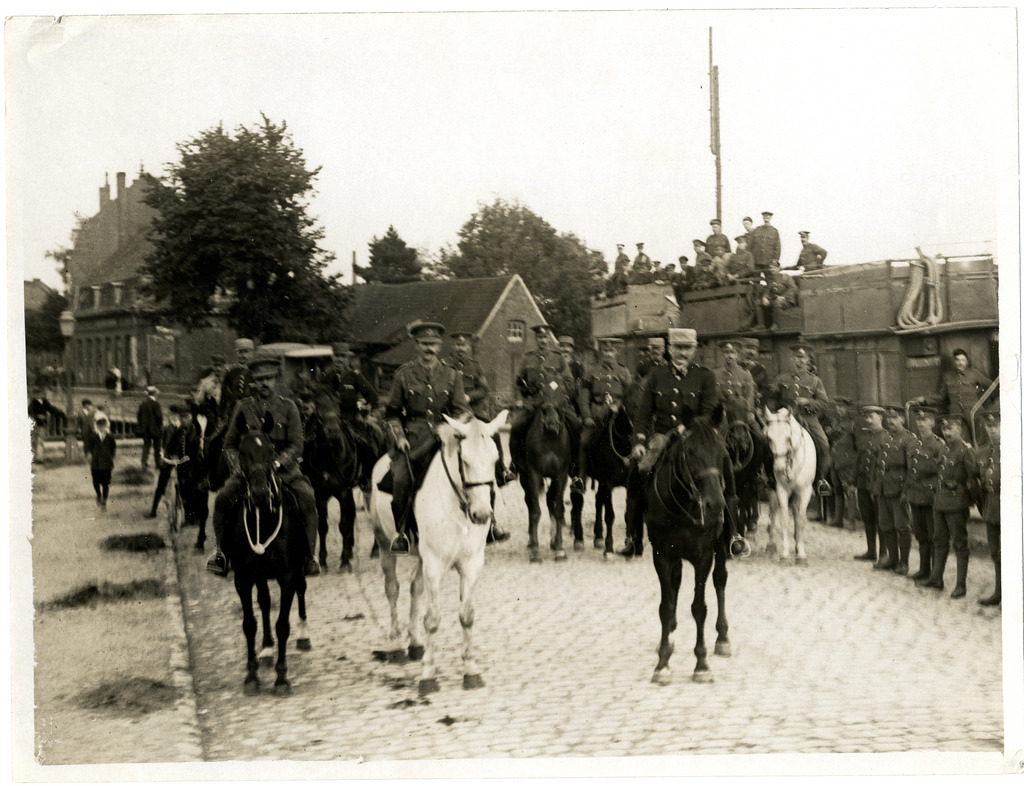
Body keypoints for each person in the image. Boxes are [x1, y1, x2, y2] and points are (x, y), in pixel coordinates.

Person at [207, 350, 321, 577]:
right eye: (259, 380)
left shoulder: (289, 407)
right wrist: (239, 469)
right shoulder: (243, 408)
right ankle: (220, 553)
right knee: (222, 498)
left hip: (283, 470)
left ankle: (309, 556)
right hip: (250, 470)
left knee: (307, 497)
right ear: (253, 383)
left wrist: (278, 464)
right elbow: (229, 444)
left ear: (276, 379)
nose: (264, 384)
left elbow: (297, 444)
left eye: (268, 379)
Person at [623, 328, 720, 558]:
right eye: (677, 348)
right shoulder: (656, 375)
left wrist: (685, 428)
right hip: (661, 437)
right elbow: (644, 414)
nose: (682, 353)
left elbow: (709, 412)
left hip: (696, 436)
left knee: (721, 464)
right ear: (669, 349)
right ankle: (633, 537)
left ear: (694, 350)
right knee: (639, 471)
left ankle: (731, 533)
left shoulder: (705, 376)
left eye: (687, 348)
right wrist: (639, 441)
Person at [385, 321, 471, 554]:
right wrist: (400, 437)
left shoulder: (453, 376)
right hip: (413, 440)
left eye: (433, 344)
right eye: (424, 344)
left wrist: (451, 429)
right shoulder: (403, 376)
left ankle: (486, 523)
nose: (429, 349)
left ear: (440, 346)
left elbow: (462, 410)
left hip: (445, 438)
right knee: (402, 480)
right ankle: (401, 532)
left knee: (475, 471)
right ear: (416, 345)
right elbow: (392, 413)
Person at [445, 331, 511, 544]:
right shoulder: (445, 365)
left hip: (475, 414)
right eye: (457, 345)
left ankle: (501, 472)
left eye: (464, 345)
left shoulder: (476, 367)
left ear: (469, 347)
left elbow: (484, 390)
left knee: (494, 441)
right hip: (454, 415)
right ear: (453, 346)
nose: (460, 348)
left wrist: (468, 397)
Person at [508, 323, 580, 491]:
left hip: (556, 403)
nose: (543, 340)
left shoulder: (559, 358)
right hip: (533, 403)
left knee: (576, 425)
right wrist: (521, 400)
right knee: (516, 426)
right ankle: (514, 465)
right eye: (540, 337)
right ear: (536, 339)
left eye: (545, 337)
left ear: (550, 338)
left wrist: (559, 394)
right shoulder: (528, 358)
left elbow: (569, 383)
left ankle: (575, 470)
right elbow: (518, 383)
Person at [917, 414, 975, 598]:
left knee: (960, 543)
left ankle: (960, 585)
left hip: (957, 504)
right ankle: (936, 578)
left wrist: (967, 500)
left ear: (960, 429)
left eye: (951, 428)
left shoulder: (965, 451)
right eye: (944, 429)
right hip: (940, 502)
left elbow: (973, 480)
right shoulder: (944, 449)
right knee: (939, 540)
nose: (947, 432)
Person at [770, 343, 832, 495]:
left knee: (824, 445)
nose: (800, 361)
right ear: (792, 359)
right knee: (770, 441)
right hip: (785, 419)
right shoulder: (781, 378)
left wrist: (808, 402)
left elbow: (824, 403)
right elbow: (773, 399)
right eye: (797, 357)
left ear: (808, 360)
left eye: (803, 358)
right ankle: (768, 478)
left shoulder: (815, 381)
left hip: (808, 418)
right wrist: (775, 414)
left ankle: (820, 479)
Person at [578, 337, 633, 485]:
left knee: (632, 440)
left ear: (617, 352)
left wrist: (619, 405)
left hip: (617, 417)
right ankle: (580, 478)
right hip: (597, 417)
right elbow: (583, 395)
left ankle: (633, 475)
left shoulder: (623, 371)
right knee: (584, 441)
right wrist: (587, 416)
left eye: (611, 350)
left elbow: (630, 395)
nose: (608, 354)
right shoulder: (591, 370)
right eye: (605, 350)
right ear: (601, 352)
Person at [913, 349, 994, 442]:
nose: (960, 363)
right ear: (954, 362)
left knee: (980, 441)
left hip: (975, 413)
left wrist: (980, 396)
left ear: (967, 362)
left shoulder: (974, 374)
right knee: (961, 441)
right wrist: (924, 399)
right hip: (956, 415)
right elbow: (940, 395)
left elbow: (991, 386)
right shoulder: (947, 376)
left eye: (963, 360)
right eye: (958, 360)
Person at [873, 406, 917, 573]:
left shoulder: (909, 439)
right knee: (886, 525)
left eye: (894, 418)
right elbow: (879, 465)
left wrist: (906, 491)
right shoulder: (886, 437)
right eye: (888, 418)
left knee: (902, 526)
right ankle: (892, 559)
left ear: (903, 420)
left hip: (898, 490)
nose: (890, 421)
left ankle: (904, 563)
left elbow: (912, 468)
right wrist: (876, 487)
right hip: (883, 488)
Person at [905, 406, 943, 581]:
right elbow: (909, 469)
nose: (921, 424)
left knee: (933, 535)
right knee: (920, 534)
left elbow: (940, 470)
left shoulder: (938, 445)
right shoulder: (913, 443)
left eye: (925, 420)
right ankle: (924, 569)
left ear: (933, 422)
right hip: (915, 495)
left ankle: (935, 575)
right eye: (918, 420)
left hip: (930, 496)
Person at [971, 410, 1001, 605]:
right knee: (996, 552)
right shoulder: (981, 452)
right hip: (991, 508)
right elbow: (976, 481)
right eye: (989, 426)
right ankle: (999, 592)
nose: (992, 430)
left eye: (996, 426)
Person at [853, 405, 888, 562]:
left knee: (881, 520)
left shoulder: (886, 438)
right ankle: (871, 551)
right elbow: (859, 461)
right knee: (868, 519)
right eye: (866, 417)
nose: (868, 420)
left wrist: (878, 487)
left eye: (871, 417)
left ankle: (883, 553)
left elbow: (884, 466)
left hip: (877, 487)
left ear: (880, 418)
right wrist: (854, 482)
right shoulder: (865, 438)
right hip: (863, 485)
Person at [145, 403, 189, 519]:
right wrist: (162, 457)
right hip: (168, 459)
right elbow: (161, 445)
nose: (173, 417)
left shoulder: (184, 429)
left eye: (176, 415)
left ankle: (187, 513)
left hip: (181, 460)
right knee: (161, 485)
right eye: (171, 415)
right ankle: (153, 510)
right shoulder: (166, 429)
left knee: (184, 485)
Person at [825, 396, 858, 527]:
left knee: (849, 491)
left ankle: (852, 521)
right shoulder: (835, 423)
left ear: (847, 408)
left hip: (847, 462)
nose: (839, 409)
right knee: (837, 490)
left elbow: (857, 445)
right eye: (838, 407)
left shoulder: (852, 424)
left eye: (842, 407)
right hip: (834, 461)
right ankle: (838, 520)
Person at [84, 410, 116, 510]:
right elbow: (88, 446)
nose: (101, 427)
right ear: (97, 426)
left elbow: (113, 448)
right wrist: (89, 453)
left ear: (106, 426)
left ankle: (104, 501)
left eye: (103, 425)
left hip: (107, 463)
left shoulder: (110, 437)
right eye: (99, 425)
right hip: (96, 462)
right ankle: (98, 494)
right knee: (96, 481)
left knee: (106, 483)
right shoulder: (93, 436)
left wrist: (110, 458)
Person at [28, 388, 62, 464]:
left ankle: (39, 458)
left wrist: (59, 412)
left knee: (40, 440)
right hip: (34, 423)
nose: (40, 395)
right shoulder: (33, 402)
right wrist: (37, 416)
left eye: (41, 393)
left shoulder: (45, 402)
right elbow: (29, 412)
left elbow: (51, 409)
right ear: (35, 395)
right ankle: (34, 457)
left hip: (42, 424)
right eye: (38, 394)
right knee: (34, 440)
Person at [136, 386, 163, 470]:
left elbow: (139, 416)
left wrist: (142, 425)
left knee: (146, 446)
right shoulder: (156, 404)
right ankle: (158, 463)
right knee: (157, 446)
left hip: (145, 429)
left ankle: (143, 463)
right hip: (155, 429)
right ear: (154, 394)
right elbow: (159, 417)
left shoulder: (143, 404)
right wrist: (159, 425)